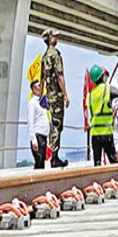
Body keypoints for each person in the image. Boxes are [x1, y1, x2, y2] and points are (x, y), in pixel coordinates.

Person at [41, 28, 69, 167]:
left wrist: (41, 95)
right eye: (54, 36)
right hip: (56, 95)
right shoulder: (55, 55)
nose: (56, 39)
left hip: (49, 95)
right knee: (57, 125)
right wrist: (65, 94)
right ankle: (55, 157)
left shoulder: (44, 56)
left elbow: (41, 78)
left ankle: (53, 155)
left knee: (53, 124)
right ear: (49, 38)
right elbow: (60, 75)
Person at [88, 65, 118, 166]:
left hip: (95, 135)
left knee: (97, 164)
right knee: (113, 162)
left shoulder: (90, 94)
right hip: (106, 133)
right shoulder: (107, 89)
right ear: (102, 77)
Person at [28, 79, 50, 169]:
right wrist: (33, 139)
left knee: (42, 163)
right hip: (38, 136)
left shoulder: (41, 102)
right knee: (39, 162)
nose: (41, 87)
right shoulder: (32, 103)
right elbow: (31, 121)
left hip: (44, 135)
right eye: (38, 86)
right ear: (34, 89)